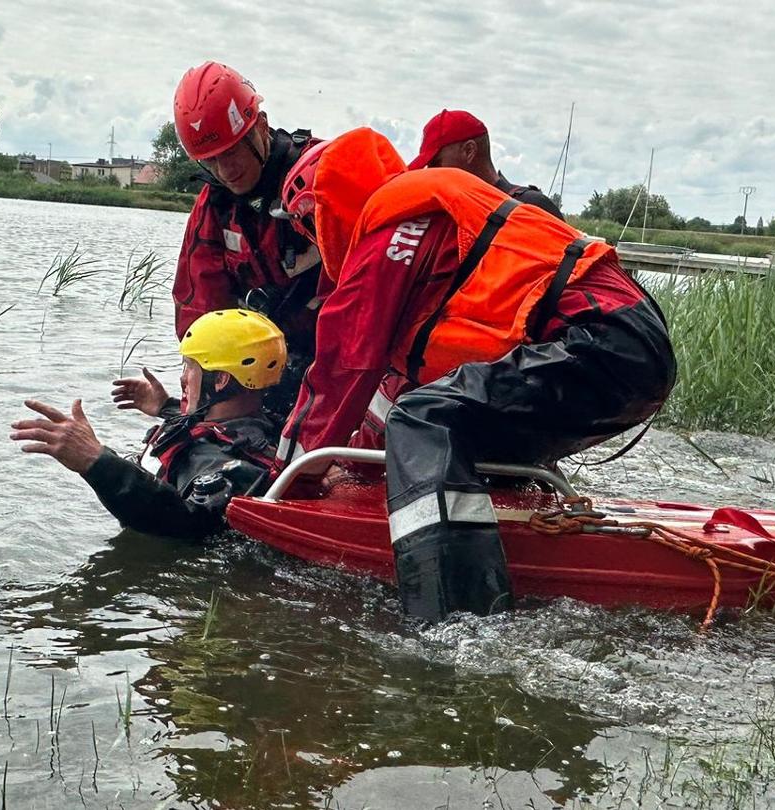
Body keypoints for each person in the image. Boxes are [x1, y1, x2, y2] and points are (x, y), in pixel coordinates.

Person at [274, 128, 675, 621]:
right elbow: (390, 396)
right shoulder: (428, 226)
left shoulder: (391, 234)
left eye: (308, 225)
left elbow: (340, 370)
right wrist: (354, 468)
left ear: (328, 206)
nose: (312, 240)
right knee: (448, 418)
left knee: (426, 420)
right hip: (623, 343)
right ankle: (514, 529)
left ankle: (456, 617)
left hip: (601, 341)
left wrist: (283, 482)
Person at [11, 309, 287, 539]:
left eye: (189, 367)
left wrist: (96, 462)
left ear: (221, 380)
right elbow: (217, 433)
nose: (182, 378)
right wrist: (166, 407)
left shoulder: (240, 470)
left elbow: (186, 521)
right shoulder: (263, 425)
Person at [170, 61, 321, 417]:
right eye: (212, 160)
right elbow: (198, 303)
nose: (226, 171)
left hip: (326, 358)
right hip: (254, 371)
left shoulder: (320, 181)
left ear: (262, 127)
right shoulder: (216, 204)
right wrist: (200, 370)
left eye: (233, 152)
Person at [409, 109, 565, 221]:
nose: (430, 173)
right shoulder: (446, 216)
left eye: (436, 163)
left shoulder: (534, 208)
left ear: (469, 151)